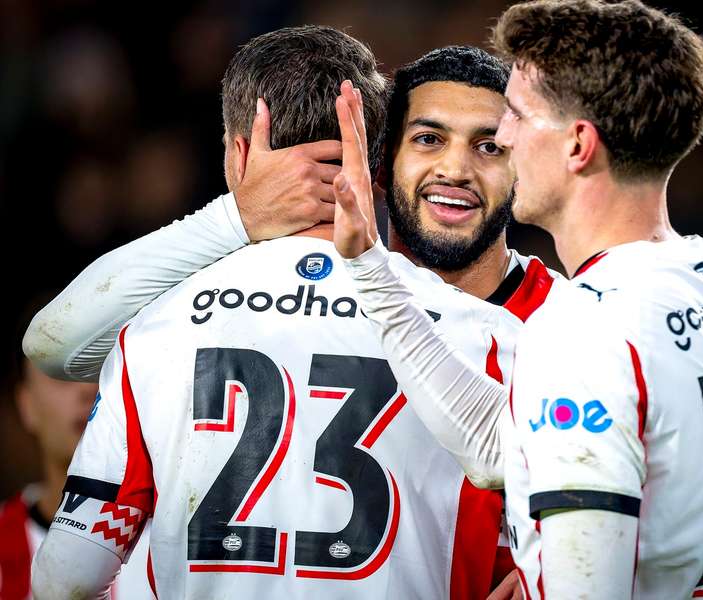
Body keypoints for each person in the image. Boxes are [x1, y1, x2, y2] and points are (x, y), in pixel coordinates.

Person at [29, 28, 534, 599]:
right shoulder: (492, 339)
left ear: (236, 152)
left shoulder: (152, 328)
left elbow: (63, 579)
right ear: (377, 161)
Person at [331, 0, 703, 598]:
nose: (505, 136)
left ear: (577, 146)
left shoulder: (583, 328)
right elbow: (505, 446)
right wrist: (371, 268)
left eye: (517, 116)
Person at [0, 350, 152, 599]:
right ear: (26, 405)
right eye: (61, 374)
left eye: (103, 369)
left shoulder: (185, 537)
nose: (88, 389)